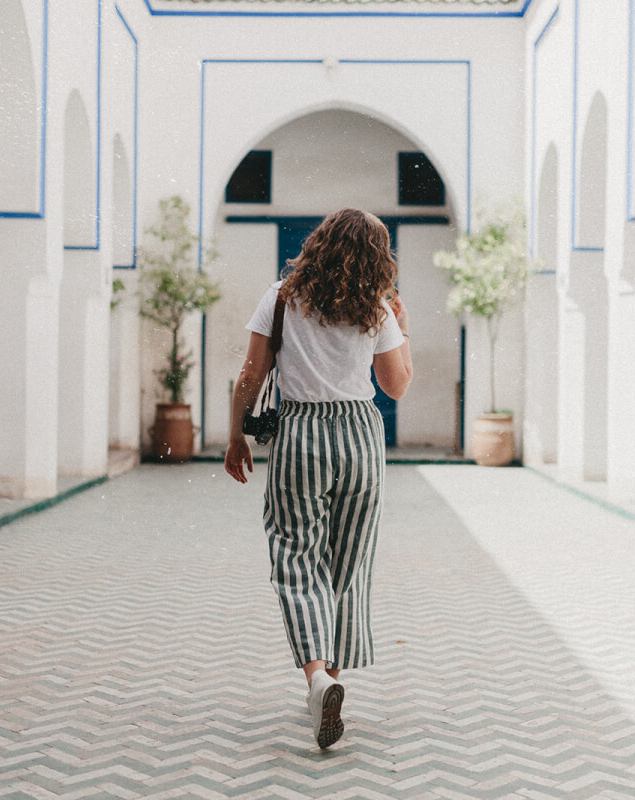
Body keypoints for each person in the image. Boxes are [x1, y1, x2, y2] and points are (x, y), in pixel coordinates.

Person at [225, 208, 413, 749]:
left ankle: (317, 678)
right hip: (359, 435)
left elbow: (250, 375)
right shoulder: (378, 306)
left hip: (301, 432)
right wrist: (405, 327)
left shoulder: (282, 295)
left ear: (319, 243)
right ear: (377, 256)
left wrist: (237, 435)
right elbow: (396, 386)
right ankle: (332, 677)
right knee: (347, 561)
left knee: (295, 552)